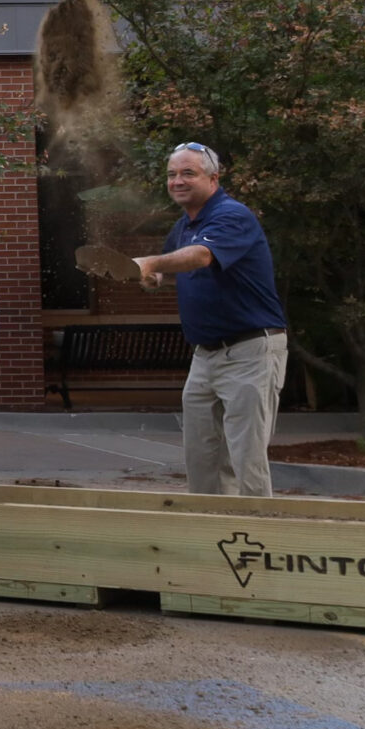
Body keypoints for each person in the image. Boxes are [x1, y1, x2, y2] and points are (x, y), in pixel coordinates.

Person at [134, 143, 289, 496]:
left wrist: (153, 263)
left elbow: (201, 257)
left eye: (188, 173)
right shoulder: (185, 225)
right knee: (202, 458)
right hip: (204, 356)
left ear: (213, 178)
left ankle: (257, 536)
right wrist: (153, 277)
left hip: (250, 350)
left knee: (244, 459)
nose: (178, 181)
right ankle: (209, 534)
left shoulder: (231, 215)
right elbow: (174, 267)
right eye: (172, 175)